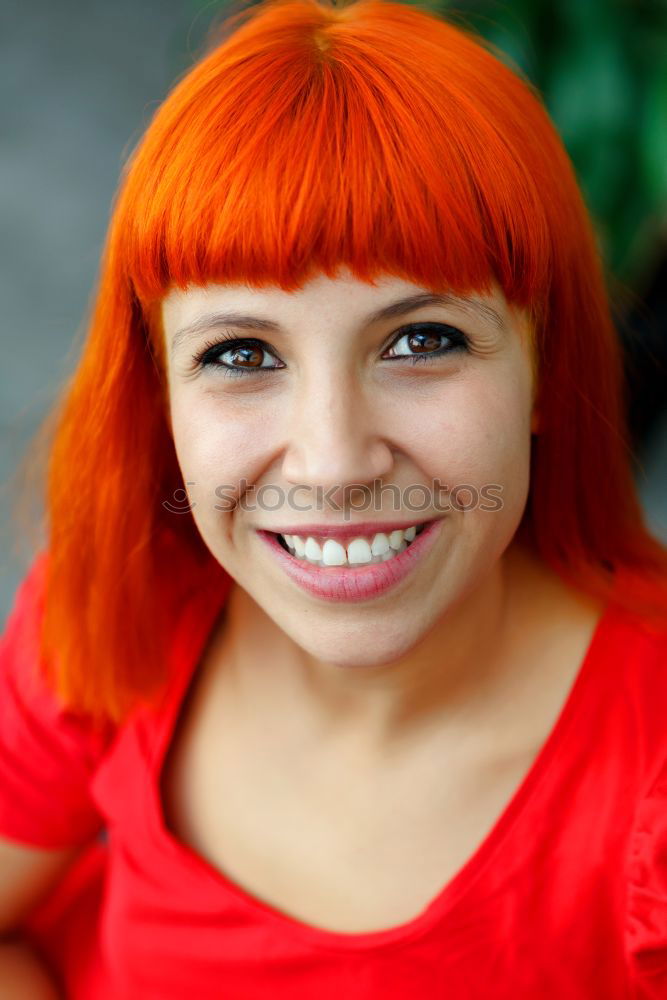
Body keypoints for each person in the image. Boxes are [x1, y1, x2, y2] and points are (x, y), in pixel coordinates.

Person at [1, 0, 666, 996]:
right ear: (159, 403)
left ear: (544, 363)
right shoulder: (115, 606)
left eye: (421, 340)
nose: (332, 464)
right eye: (239, 353)